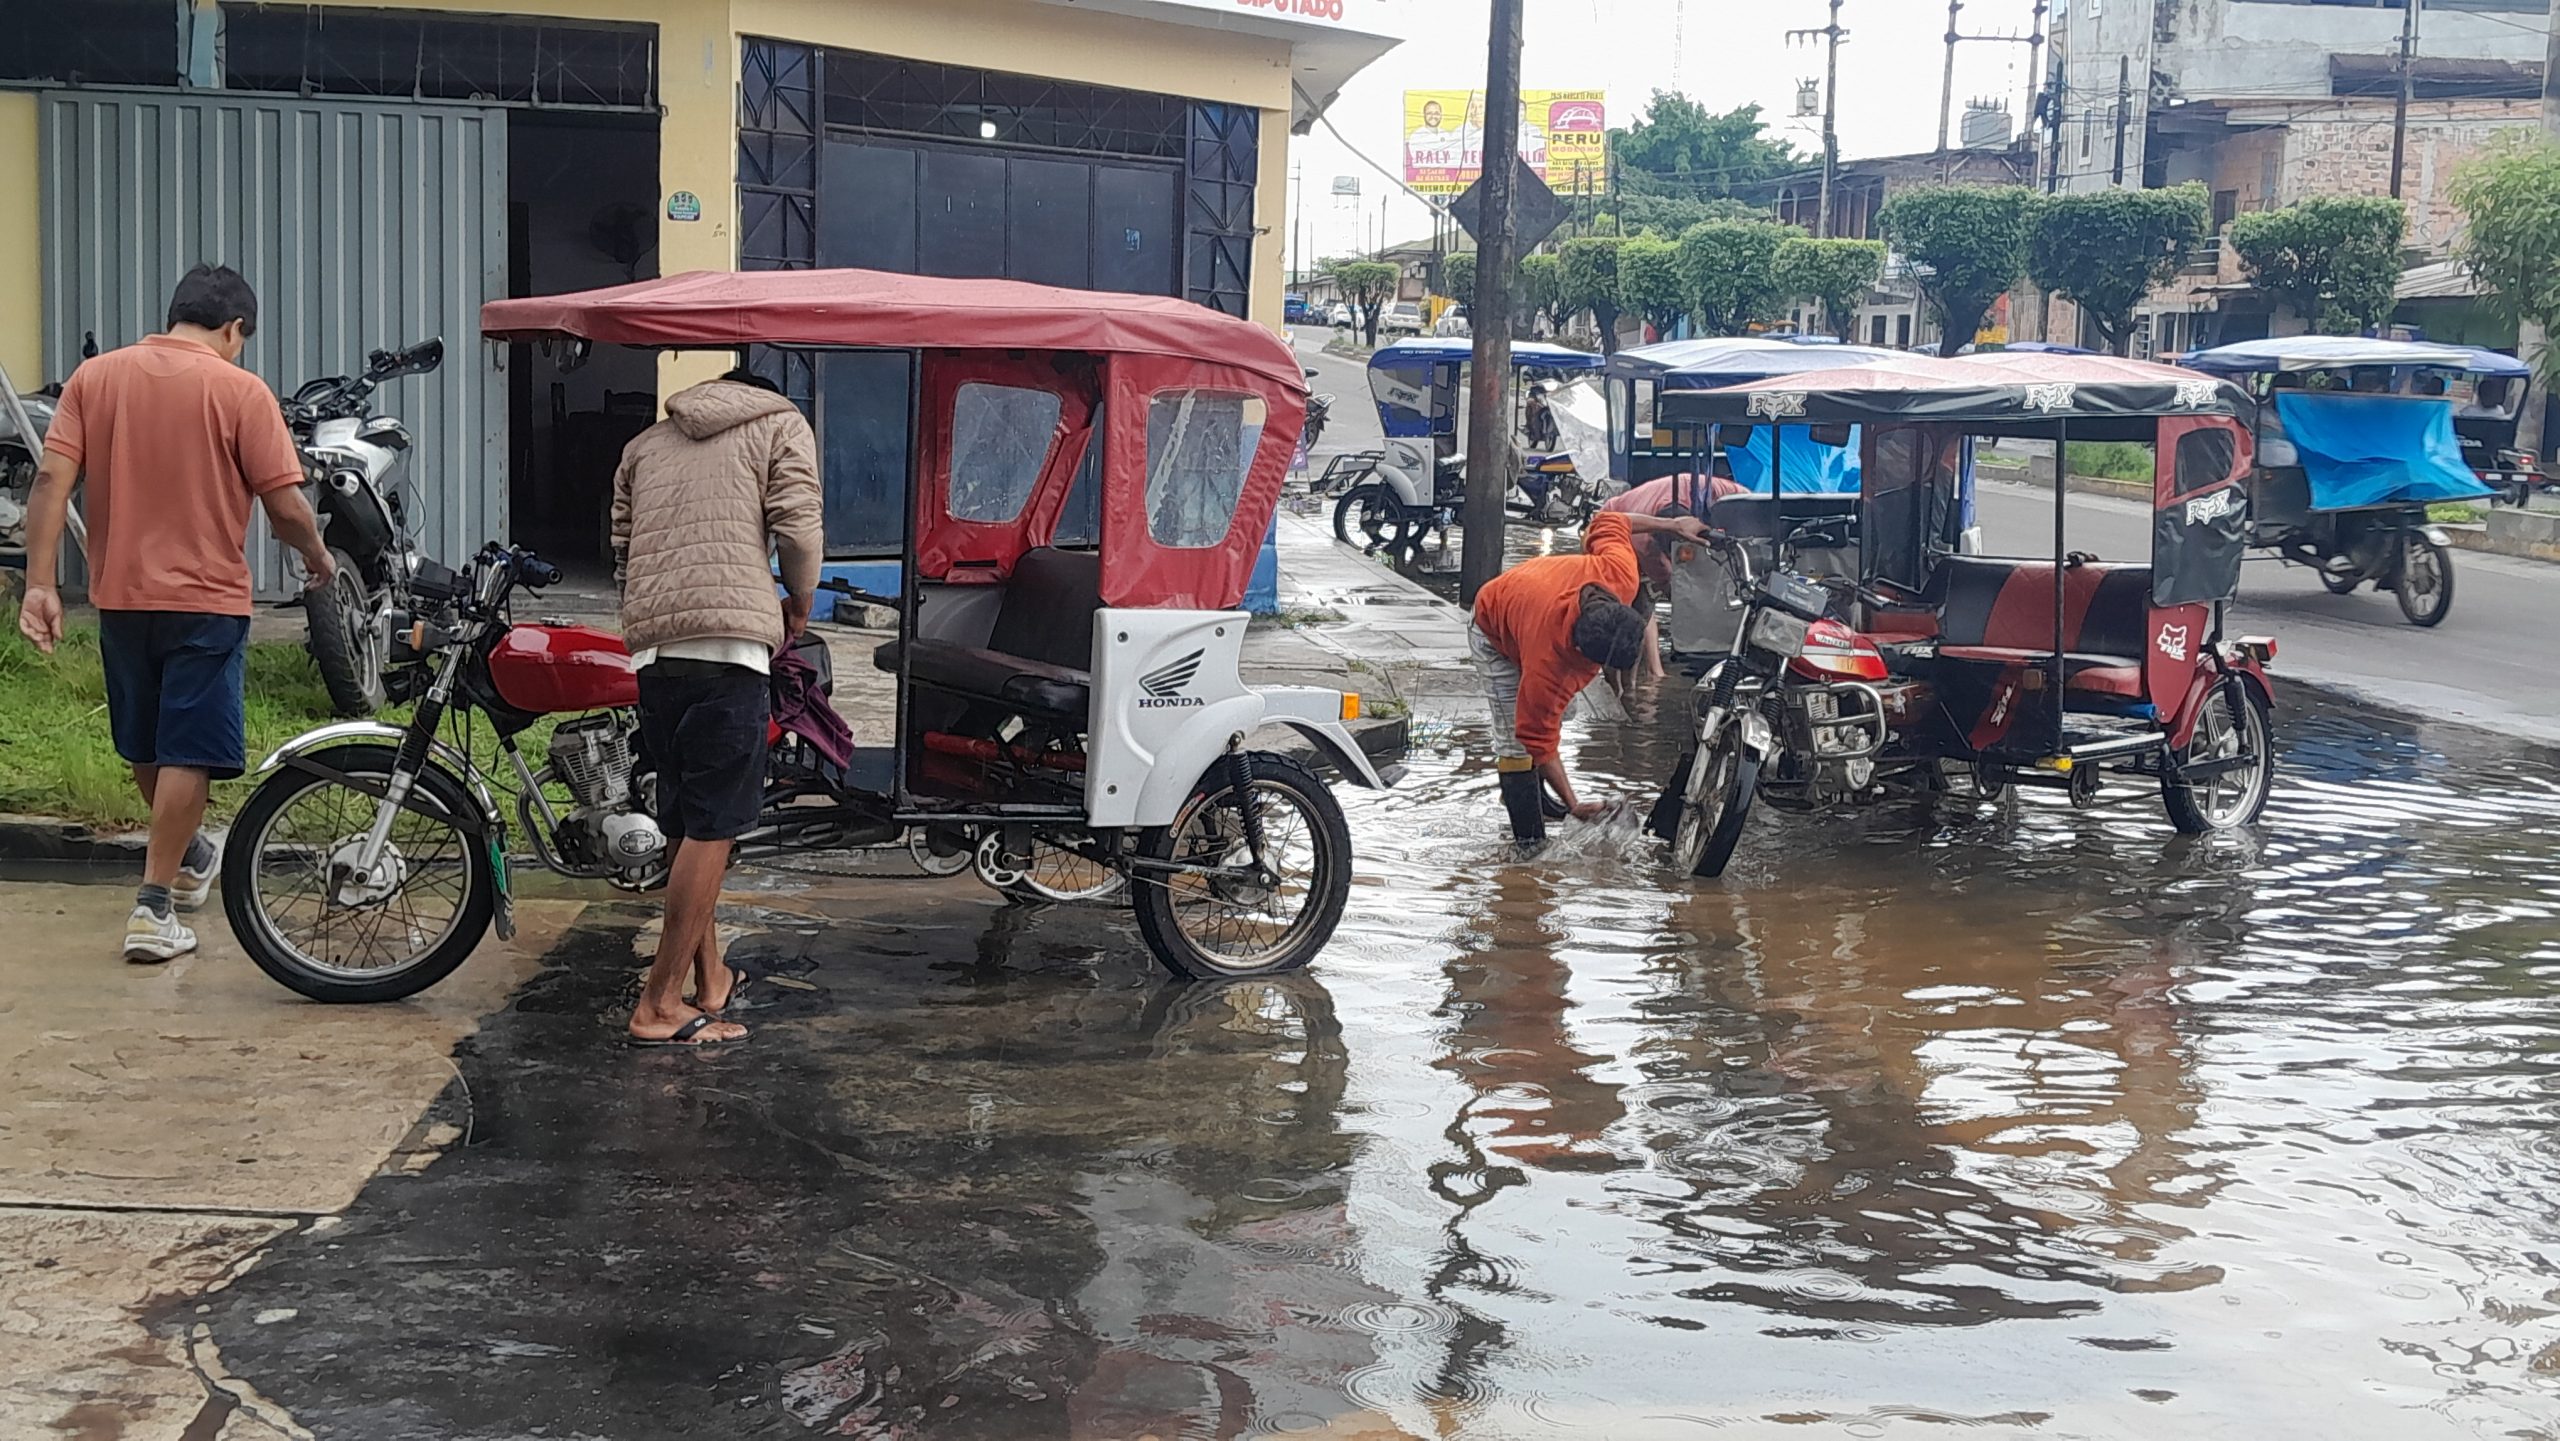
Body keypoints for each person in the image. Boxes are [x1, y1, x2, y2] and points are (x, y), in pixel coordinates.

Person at [15, 265, 336, 963]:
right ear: (234, 329)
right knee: (188, 747)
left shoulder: (95, 379)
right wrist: (317, 555)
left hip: (121, 598)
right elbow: (285, 505)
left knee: (147, 742)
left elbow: (49, 479)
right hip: (205, 600)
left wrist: (41, 584)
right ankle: (153, 908)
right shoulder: (240, 390)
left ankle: (186, 854)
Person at [613, 367, 822, 1048]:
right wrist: (798, 602)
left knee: (687, 821)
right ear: (758, 394)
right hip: (729, 649)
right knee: (715, 829)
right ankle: (657, 1003)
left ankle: (711, 978)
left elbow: (622, 548)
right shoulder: (780, 423)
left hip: (655, 654)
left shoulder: (645, 445)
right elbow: (797, 527)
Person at [1470, 508, 1709, 825]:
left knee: (1557, 714)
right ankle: (1526, 842)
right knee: (1516, 742)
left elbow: (1610, 520)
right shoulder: (1549, 667)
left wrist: (1673, 525)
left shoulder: (1620, 574)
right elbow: (1536, 736)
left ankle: (1541, 798)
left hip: (1529, 593)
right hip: (1492, 624)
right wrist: (1574, 804)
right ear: (1580, 651)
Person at [1598, 470, 1747, 685]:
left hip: (1654, 508)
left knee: (1643, 606)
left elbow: (1752, 506)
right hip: (1611, 528)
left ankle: (1653, 672)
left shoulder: (1711, 490)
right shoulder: (1645, 546)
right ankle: (1630, 683)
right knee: (1632, 612)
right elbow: (1675, 593)